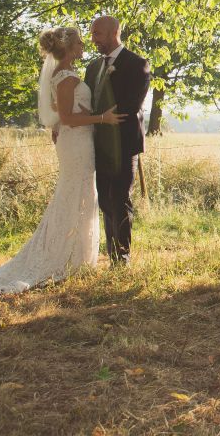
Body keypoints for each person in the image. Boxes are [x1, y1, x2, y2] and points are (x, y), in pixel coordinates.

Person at [0, 27, 125, 295]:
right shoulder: (66, 77)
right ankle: (59, 257)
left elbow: (60, 111)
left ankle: (75, 257)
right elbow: (67, 117)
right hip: (76, 143)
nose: (83, 45)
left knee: (80, 194)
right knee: (73, 194)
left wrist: (68, 116)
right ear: (68, 48)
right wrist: (102, 119)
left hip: (79, 141)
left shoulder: (67, 75)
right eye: (79, 42)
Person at [85, 16, 151, 265]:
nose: (93, 39)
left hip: (124, 144)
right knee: (104, 200)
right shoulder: (93, 67)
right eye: (92, 34)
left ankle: (122, 257)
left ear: (114, 33)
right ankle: (111, 252)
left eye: (97, 34)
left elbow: (130, 105)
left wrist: (99, 117)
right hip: (98, 143)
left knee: (120, 199)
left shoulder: (137, 64)